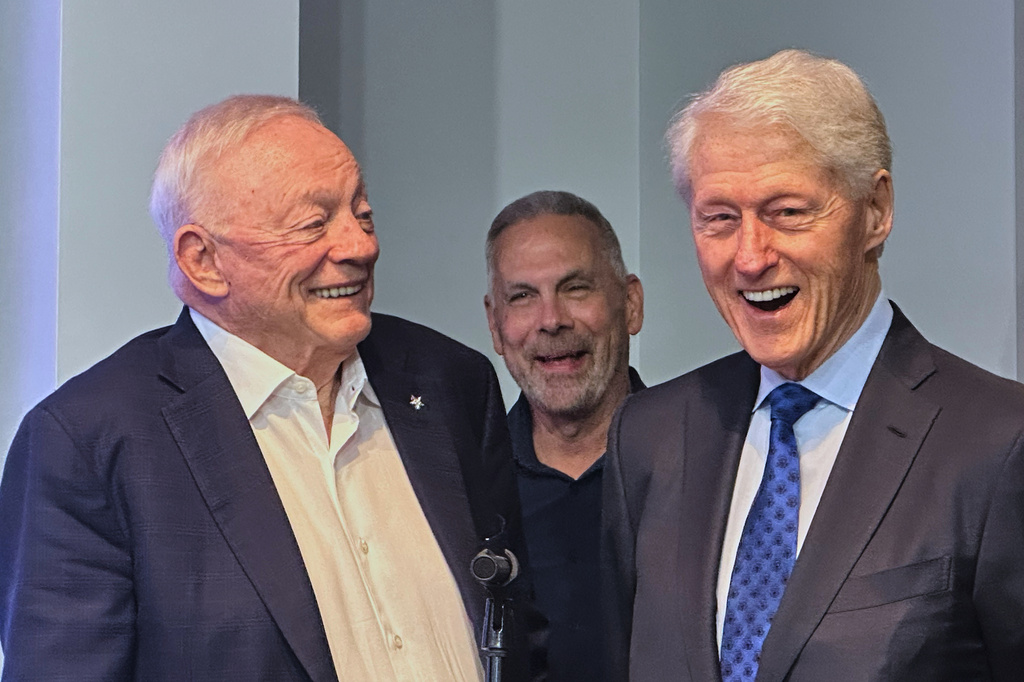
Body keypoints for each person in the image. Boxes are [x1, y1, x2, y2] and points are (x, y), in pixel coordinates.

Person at [0, 95, 533, 681]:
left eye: (363, 214)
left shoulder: (449, 382)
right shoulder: (87, 443)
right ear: (203, 260)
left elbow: (516, 629)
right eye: (313, 224)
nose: (360, 246)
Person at [603, 49, 1024, 681]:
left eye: (788, 213)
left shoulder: (997, 443)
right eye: (719, 218)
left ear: (875, 211)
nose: (749, 257)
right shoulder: (649, 436)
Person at [485, 191, 643, 681]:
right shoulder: (464, 489)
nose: (551, 320)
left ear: (631, 304)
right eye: (523, 297)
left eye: (576, 288)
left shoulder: (712, 466)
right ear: (495, 324)